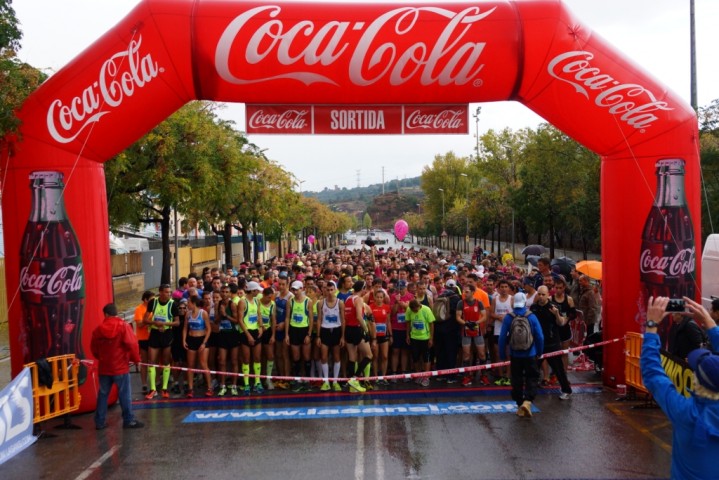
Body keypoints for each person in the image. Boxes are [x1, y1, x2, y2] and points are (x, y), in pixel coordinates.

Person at [641, 296, 719, 480]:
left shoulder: (686, 412)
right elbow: (652, 374)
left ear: (696, 382)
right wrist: (710, 323)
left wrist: (651, 325)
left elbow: (653, 374)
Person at [92, 303, 143, 430]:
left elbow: (94, 349)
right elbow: (132, 344)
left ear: (106, 314)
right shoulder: (123, 326)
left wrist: (102, 358)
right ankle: (128, 420)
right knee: (124, 394)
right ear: (116, 313)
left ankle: (100, 421)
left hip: (105, 367)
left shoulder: (98, 329)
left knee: (103, 394)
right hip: (120, 366)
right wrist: (136, 359)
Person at [499, 292, 544, 418]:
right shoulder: (531, 316)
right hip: (530, 353)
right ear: (524, 302)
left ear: (514, 303)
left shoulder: (509, 317)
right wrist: (540, 352)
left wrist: (502, 354)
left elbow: (502, 338)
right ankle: (528, 401)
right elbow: (540, 336)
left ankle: (519, 404)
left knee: (517, 379)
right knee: (532, 377)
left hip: (515, 354)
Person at [531, 286, 572, 399]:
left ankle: (566, 390)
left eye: (543, 294)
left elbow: (561, 323)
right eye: (539, 294)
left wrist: (557, 314)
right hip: (538, 343)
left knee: (558, 369)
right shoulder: (534, 308)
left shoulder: (554, 307)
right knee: (533, 368)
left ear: (548, 294)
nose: (541, 297)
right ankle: (530, 392)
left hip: (552, 343)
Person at [143, 284, 180, 399]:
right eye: (166, 292)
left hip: (167, 334)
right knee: (151, 360)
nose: (169, 294)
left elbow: (177, 322)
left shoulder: (173, 304)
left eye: (170, 292)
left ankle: (164, 388)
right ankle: (153, 389)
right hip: (154, 334)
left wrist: (164, 324)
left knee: (165, 361)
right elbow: (145, 319)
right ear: (160, 292)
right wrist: (155, 323)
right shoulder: (153, 302)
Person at [182, 295, 213, 398]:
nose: (187, 304)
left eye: (189, 303)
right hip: (191, 340)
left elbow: (209, 329)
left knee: (204, 364)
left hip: (202, 339)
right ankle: (190, 389)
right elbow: (185, 328)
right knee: (190, 366)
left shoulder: (203, 313)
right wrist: (184, 340)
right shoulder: (188, 314)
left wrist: (204, 343)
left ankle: (209, 387)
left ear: (193, 303)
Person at [406, 299, 435, 387]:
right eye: (414, 310)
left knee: (426, 358)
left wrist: (431, 338)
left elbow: (431, 324)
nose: (416, 311)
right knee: (415, 357)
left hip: (425, 338)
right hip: (414, 337)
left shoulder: (426, 310)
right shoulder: (409, 310)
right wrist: (407, 335)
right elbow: (408, 322)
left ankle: (426, 377)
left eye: (417, 309)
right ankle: (418, 375)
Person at [133, 290, 154, 394]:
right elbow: (140, 324)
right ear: (145, 300)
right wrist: (150, 322)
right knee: (144, 363)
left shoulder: (154, 308)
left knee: (154, 362)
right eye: (151, 299)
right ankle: (145, 384)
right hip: (143, 339)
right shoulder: (139, 309)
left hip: (153, 338)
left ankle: (155, 384)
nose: (153, 301)